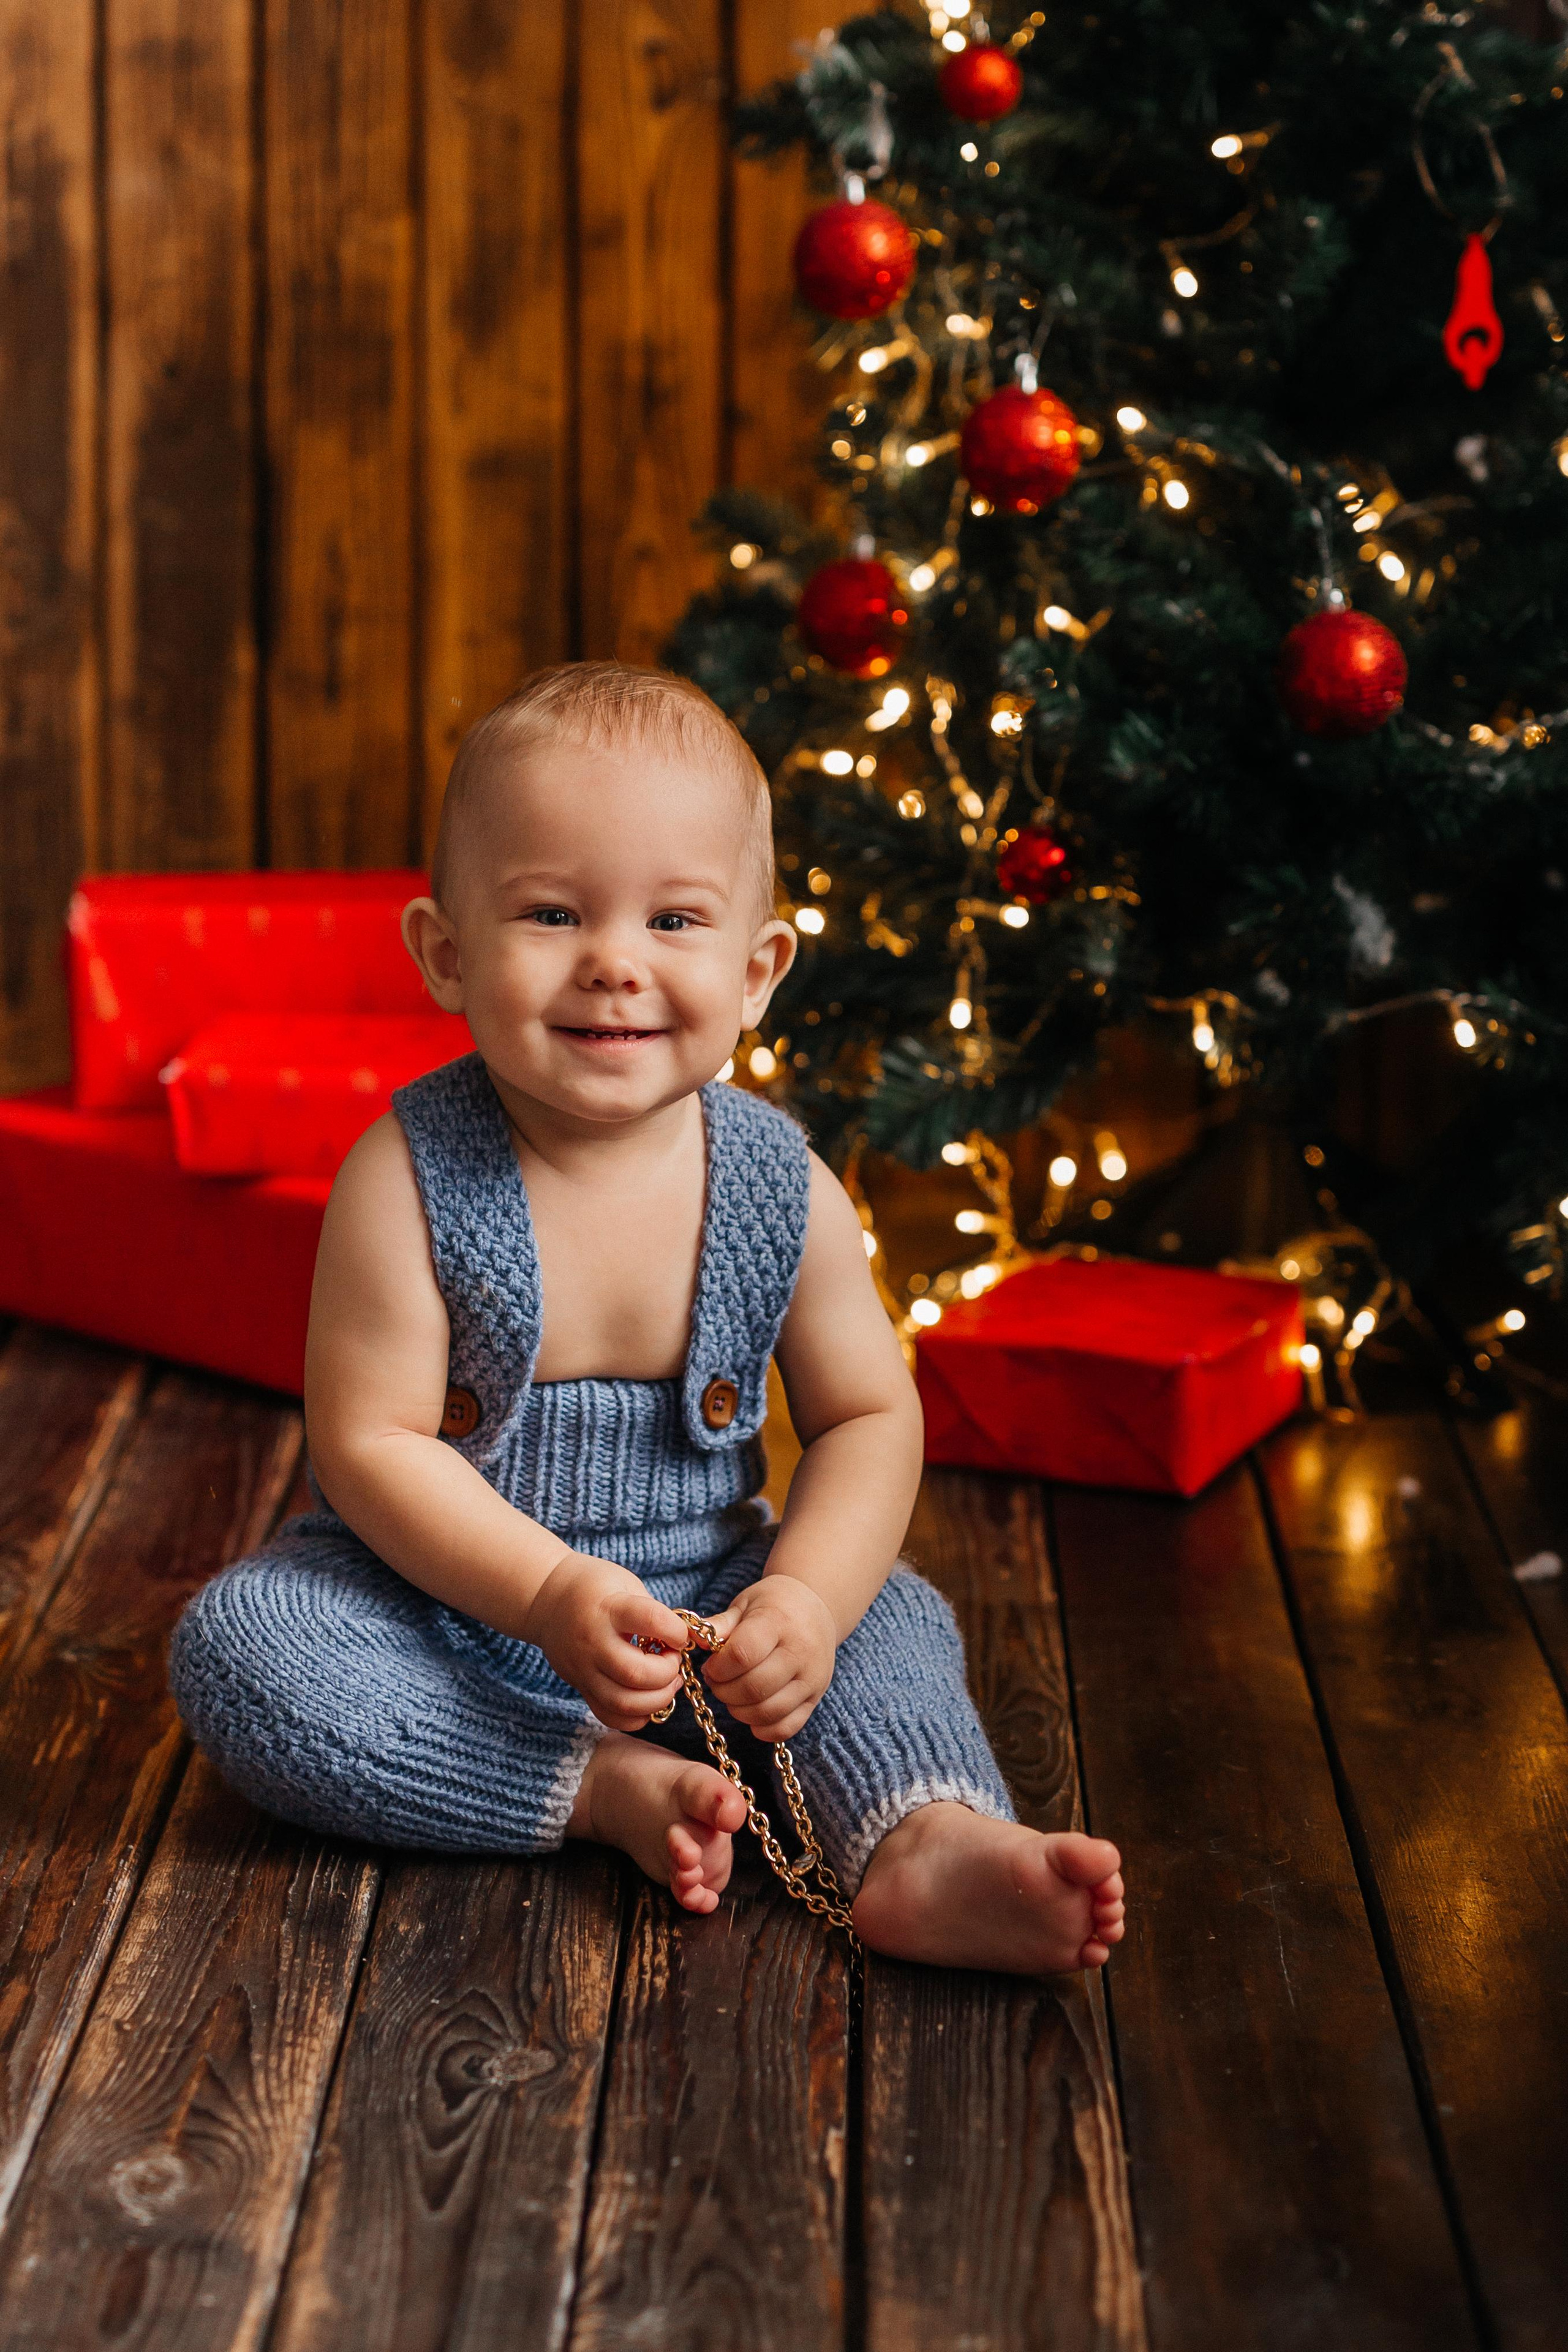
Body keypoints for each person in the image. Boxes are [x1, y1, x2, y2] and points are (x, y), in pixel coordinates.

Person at [170, 663, 1125, 1974]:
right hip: (444, 1613)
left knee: (892, 1617)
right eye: (553, 913)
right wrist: (547, 1591)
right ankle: (590, 1789)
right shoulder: (404, 1177)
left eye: (674, 921)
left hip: (710, 1615)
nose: (614, 963)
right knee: (245, 1649)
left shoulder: (776, 1183)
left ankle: (925, 1845)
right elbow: (371, 1446)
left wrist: (801, 1597)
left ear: (757, 970)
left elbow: (864, 1413)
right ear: (446, 954)